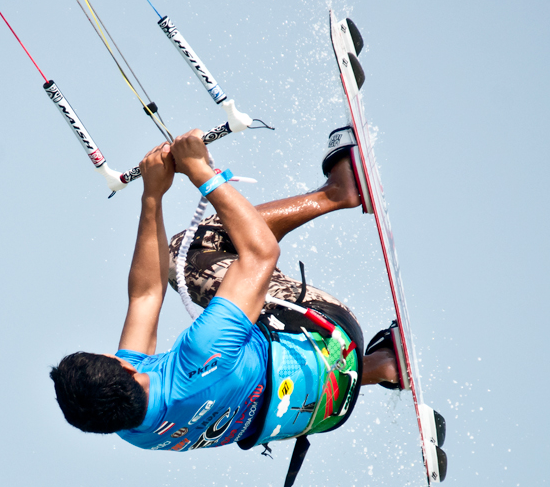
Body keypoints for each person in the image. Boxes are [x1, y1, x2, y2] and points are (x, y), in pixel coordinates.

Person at [50, 126, 399, 456]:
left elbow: (145, 295)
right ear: (126, 372)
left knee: (255, 383)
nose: (120, 357)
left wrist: (152, 196)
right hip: (335, 332)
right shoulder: (201, 353)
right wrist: (198, 171)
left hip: (330, 408)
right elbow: (261, 253)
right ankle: (340, 191)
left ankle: (384, 366)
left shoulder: (131, 429)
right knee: (187, 255)